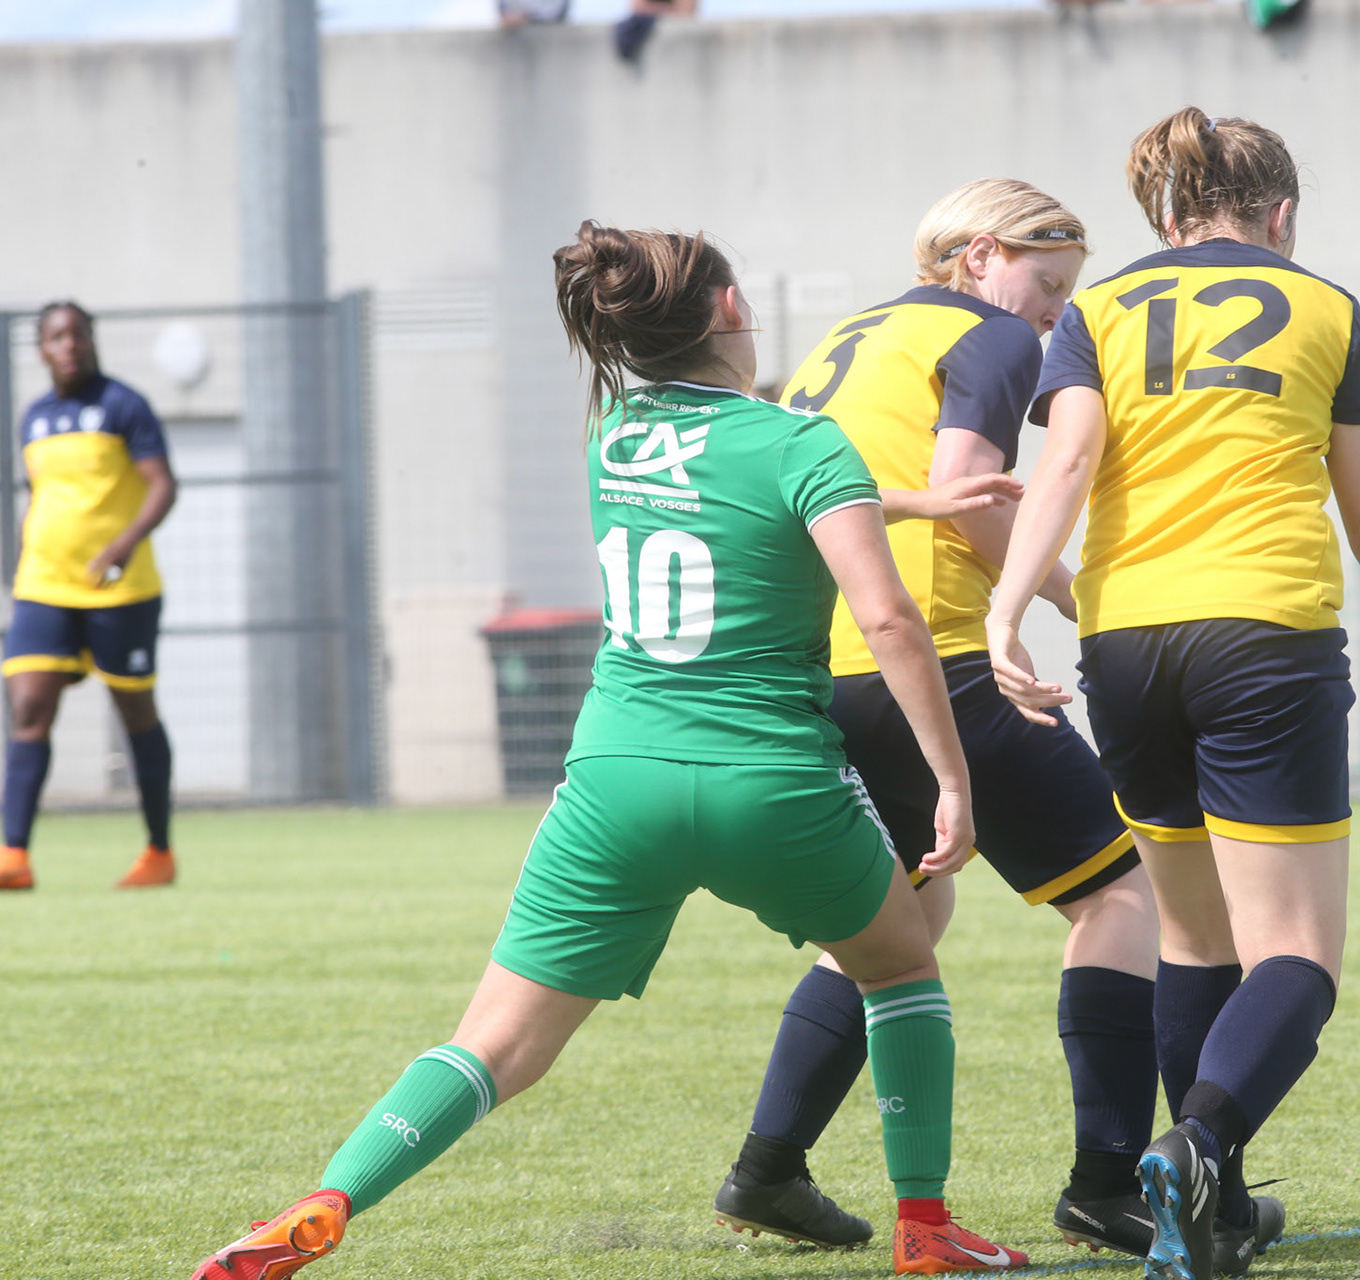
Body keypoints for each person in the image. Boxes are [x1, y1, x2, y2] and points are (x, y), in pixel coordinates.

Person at [187, 223, 1026, 1280]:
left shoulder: (614, 437)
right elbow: (888, 617)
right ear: (731, 309)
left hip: (614, 782)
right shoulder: (803, 442)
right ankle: (925, 1225)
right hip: (767, 779)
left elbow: (734, 495)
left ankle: (328, 1199)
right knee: (900, 961)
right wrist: (952, 778)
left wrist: (904, 499)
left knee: (496, 1043)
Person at [985, 108, 1360, 1280]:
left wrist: (1007, 609)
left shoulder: (1098, 307)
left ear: (1168, 213)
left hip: (1126, 641)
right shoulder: (1326, 307)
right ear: (1280, 213)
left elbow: (1067, 463)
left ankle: (1215, 1210)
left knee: (1193, 935)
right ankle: (1195, 1146)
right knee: (1296, 953)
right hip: (1264, 636)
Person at [710, 178, 1165, 1261]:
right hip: (927, 657)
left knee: (905, 920)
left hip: (823, 667)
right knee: (1120, 893)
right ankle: (1107, 1187)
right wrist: (1073, 600)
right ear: (977, 258)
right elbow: (966, 495)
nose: (1054, 311)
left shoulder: (847, 338)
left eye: (1067, 290)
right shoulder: (989, 333)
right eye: (1047, 282)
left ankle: (769, 1168)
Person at [1, 301, 178, 892]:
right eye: (57, 336)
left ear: (92, 340)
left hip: (119, 591)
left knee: (135, 712)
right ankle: (13, 855)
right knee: (28, 707)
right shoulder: (34, 417)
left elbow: (162, 485)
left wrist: (123, 544)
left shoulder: (124, 405)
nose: (70, 345)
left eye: (78, 334)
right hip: (44, 586)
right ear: (41, 350)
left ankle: (158, 851)